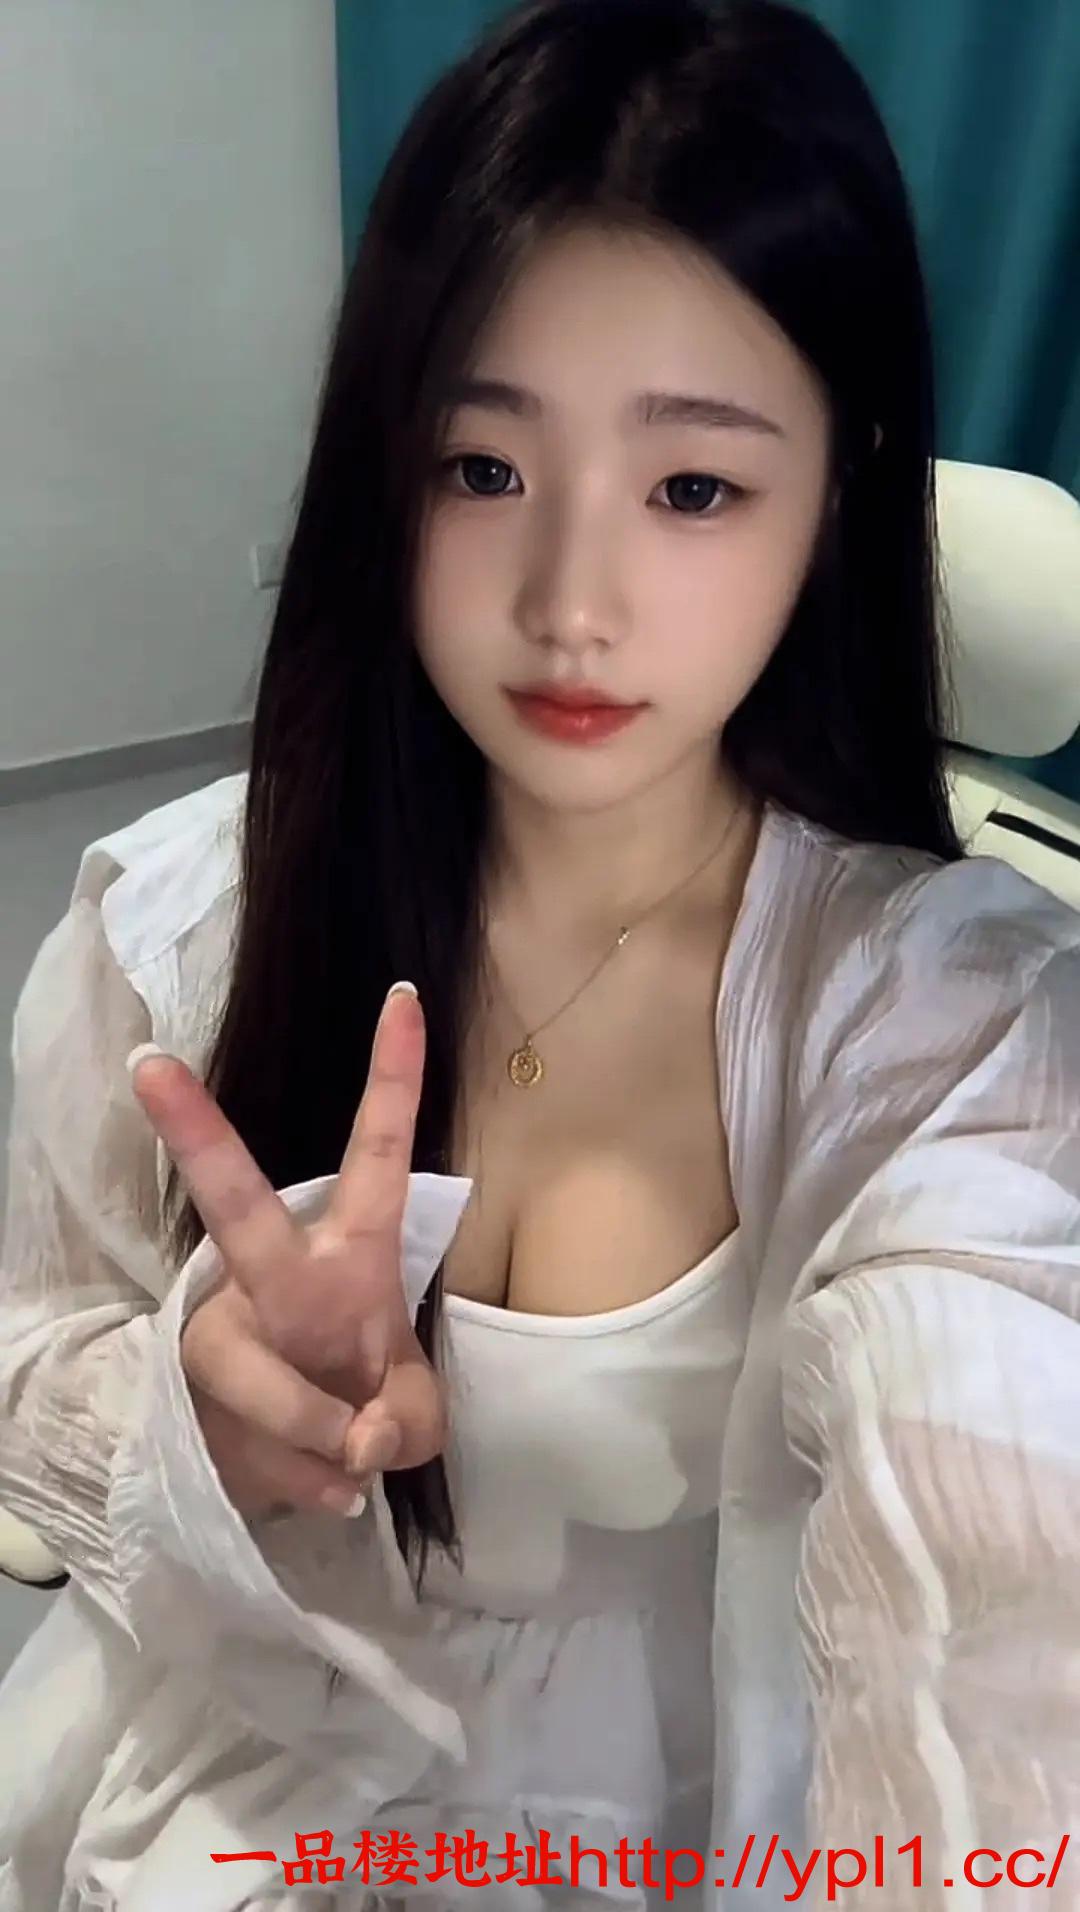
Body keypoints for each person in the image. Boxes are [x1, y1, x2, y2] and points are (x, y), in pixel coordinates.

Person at [1, 0, 1078, 1906]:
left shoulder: (953, 1032)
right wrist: (197, 1418)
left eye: (693, 489)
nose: (571, 603)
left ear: (838, 496)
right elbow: (24, 1362)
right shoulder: (181, 924)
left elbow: (991, 1597)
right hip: (220, 1795)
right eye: (482, 470)